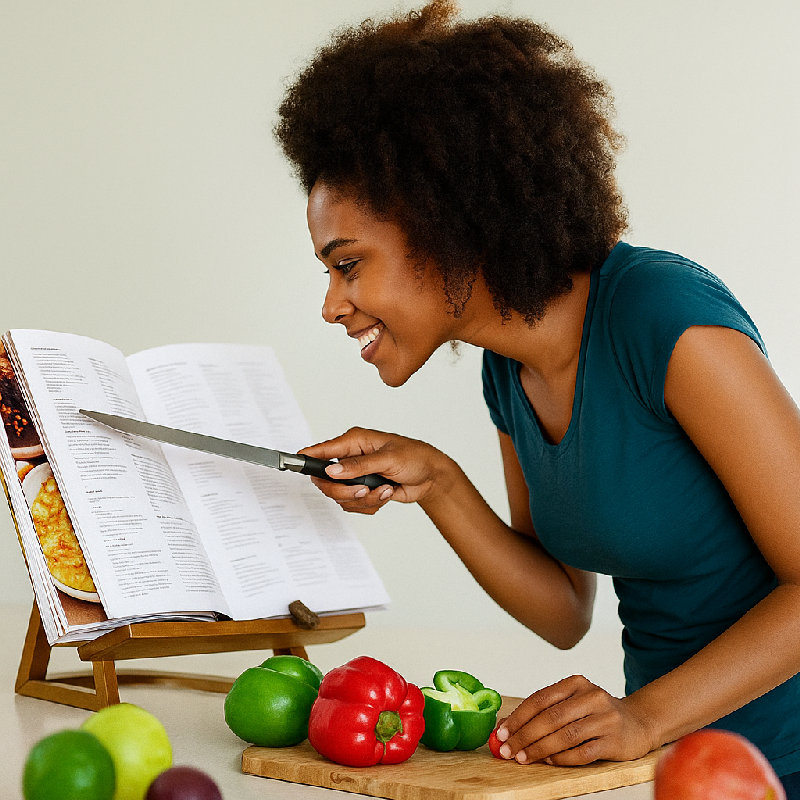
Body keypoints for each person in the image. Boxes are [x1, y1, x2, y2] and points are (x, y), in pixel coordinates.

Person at [274, 0, 800, 788]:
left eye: (348, 264)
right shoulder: (508, 368)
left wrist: (644, 716)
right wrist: (440, 483)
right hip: (672, 767)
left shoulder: (664, 320)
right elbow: (564, 610)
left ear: (446, 224)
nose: (332, 304)